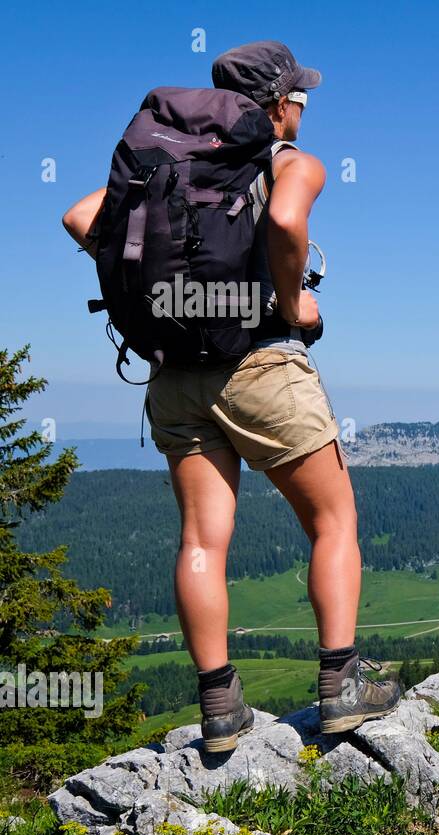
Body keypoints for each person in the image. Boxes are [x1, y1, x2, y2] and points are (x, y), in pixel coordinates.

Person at [61, 40, 401, 752]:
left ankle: (220, 707)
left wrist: (162, 289)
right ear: (279, 104)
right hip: (261, 366)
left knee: (200, 540)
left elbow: (80, 217)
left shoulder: (161, 165)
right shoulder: (289, 162)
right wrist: (292, 301)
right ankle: (341, 686)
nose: (304, 108)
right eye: (300, 97)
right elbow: (283, 223)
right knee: (334, 522)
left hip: (174, 377)